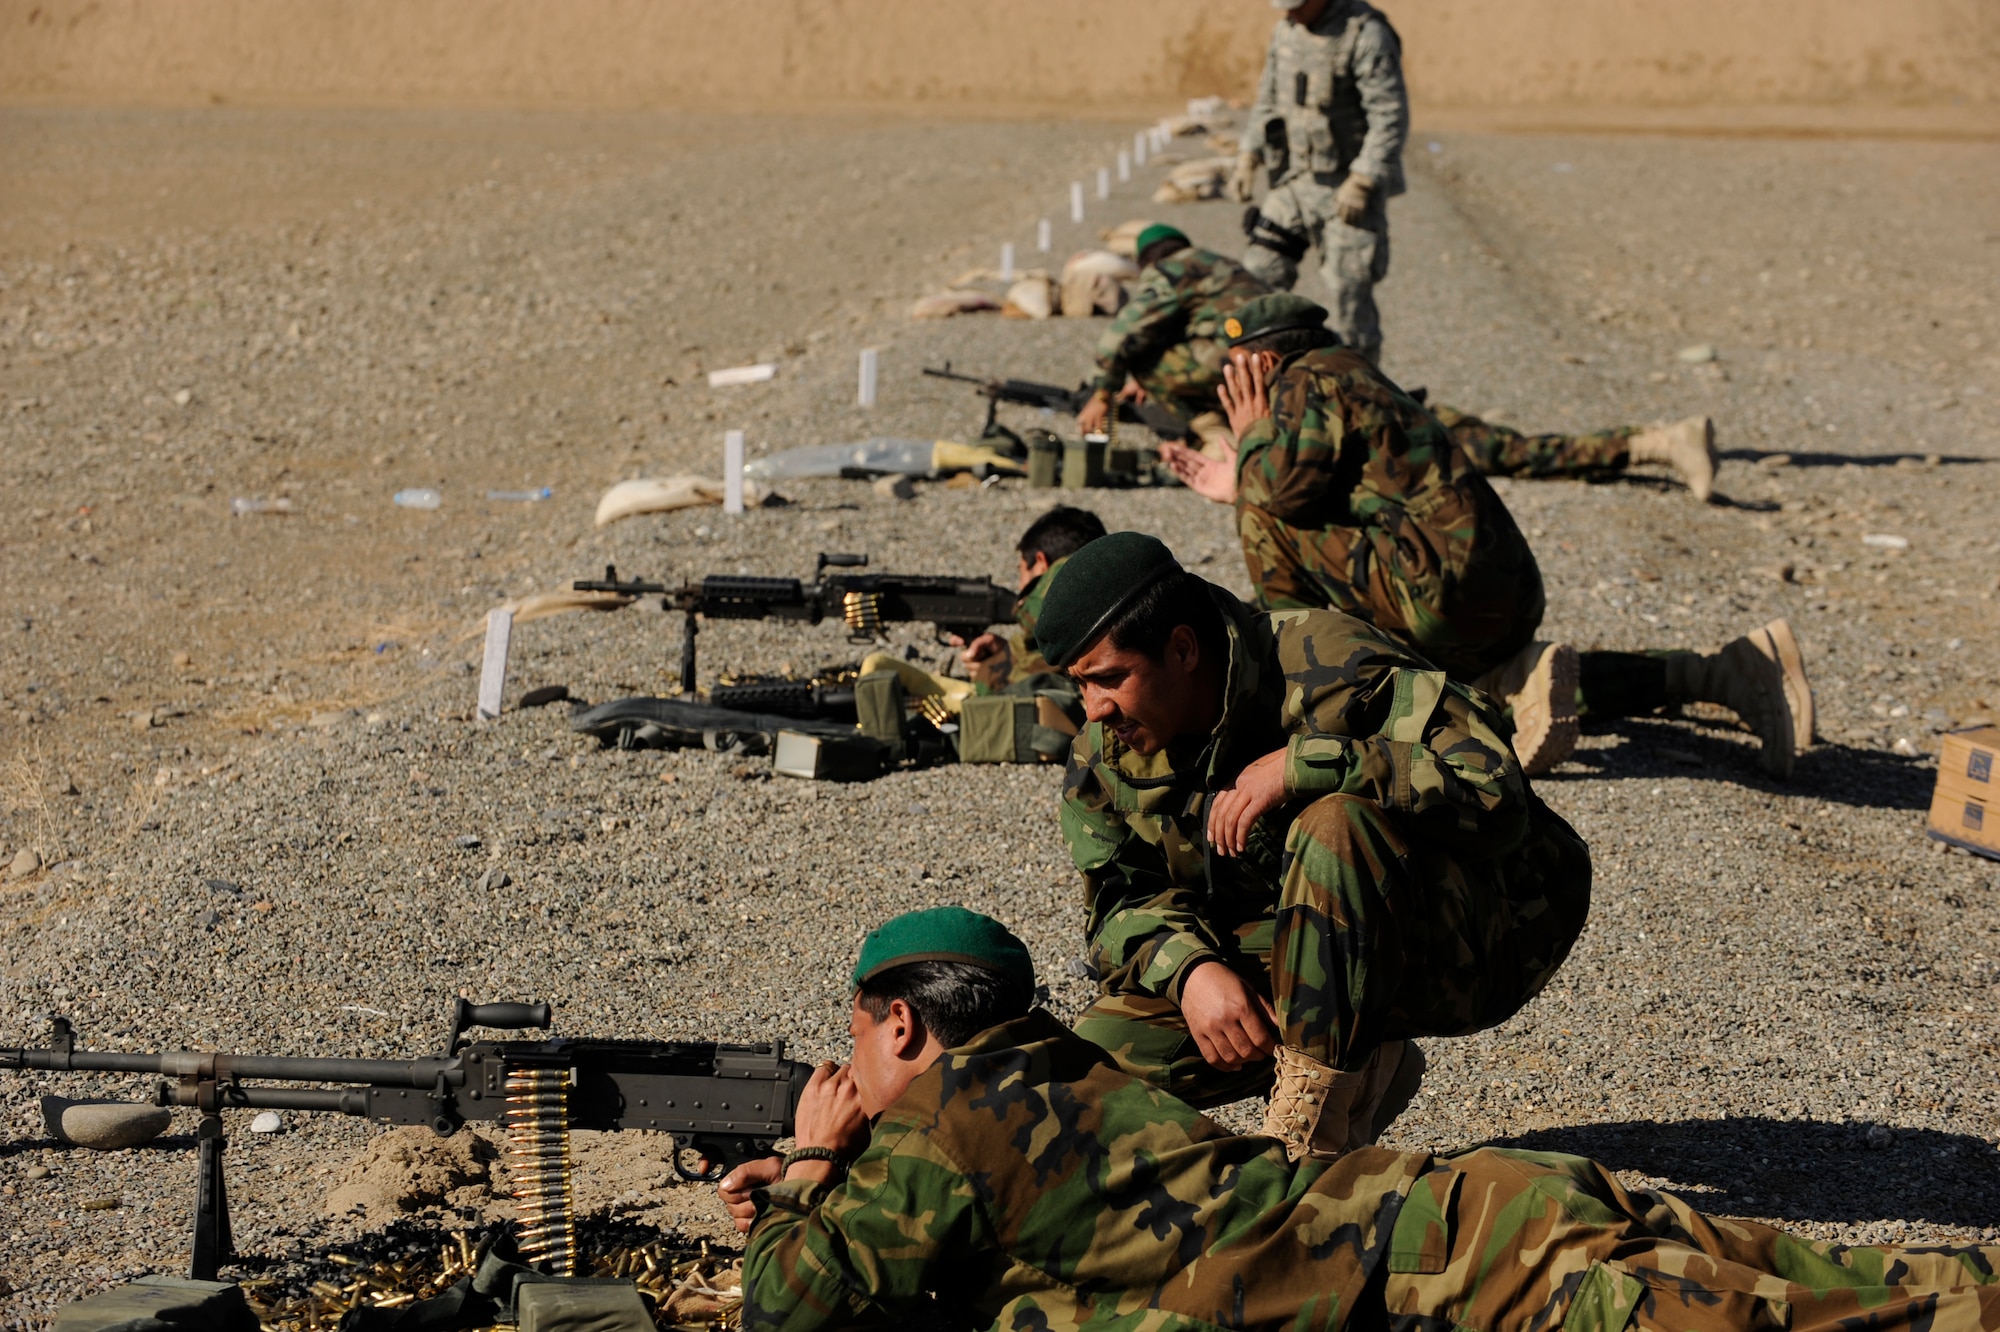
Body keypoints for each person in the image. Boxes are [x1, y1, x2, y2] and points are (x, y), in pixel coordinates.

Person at [719, 906, 2000, 1331]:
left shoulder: (936, 1116)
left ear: (898, 1024)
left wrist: (818, 1163)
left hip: (1484, 1283)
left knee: (1855, 1321)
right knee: (1883, 1285)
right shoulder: (1075, 1069)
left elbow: (794, 1308)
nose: (853, 1072)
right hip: (1484, 1205)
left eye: (853, 1043)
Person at [1043, 531, 1593, 1154]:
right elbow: (1119, 901)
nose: (1092, 709)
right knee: (1096, 1066)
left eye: (1109, 679)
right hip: (1307, 934)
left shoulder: (1330, 661)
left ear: (1183, 648)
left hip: (1492, 928)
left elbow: (1497, 792)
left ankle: (1312, 1138)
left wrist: (1308, 765)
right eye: (1080, 684)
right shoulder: (1104, 752)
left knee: (1334, 825)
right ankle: (1366, 1061)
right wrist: (1191, 971)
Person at [1168, 293, 1814, 779]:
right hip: (1496, 587)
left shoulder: (1305, 380)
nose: (1231, 387)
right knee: (1484, 692)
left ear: (1263, 359)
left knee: (1263, 513)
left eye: (1235, 371)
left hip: (1436, 594)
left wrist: (1249, 447)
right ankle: (1719, 673)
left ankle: (1304, 695)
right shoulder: (1361, 379)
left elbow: (1281, 495)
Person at [1084, 224, 1719, 498]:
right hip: (1332, 381)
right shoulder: (1231, 281)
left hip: (1315, 408)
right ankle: (1646, 443)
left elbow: (1120, 337)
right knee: (1477, 442)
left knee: (1480, 447)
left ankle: (1651, 443)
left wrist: (1104, 393)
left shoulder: (1172, 274)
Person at [1232, 0, 1407, 364]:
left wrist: (1363, 179)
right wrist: (1249, 154)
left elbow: (1389, 115)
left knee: (1350, 301)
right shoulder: (1285, 31)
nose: (1290, 13)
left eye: (1298, 5)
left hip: (1345, 192)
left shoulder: (1365, 35)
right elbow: (1267, 98)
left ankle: (1364, 394)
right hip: (1294, 185)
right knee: (1256, 280)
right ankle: (1265, 383)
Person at [859, 504, 1104, 720]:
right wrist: (1001, 657)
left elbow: (1048, 685)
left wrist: (993, 671)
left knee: (877, 671)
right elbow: (1044, 666)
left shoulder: (1061, 593)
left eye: (1021, 571)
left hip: (1038, 719)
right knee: (879, 667)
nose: (1021, 589)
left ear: (1040, 561)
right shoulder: (1102, 593)